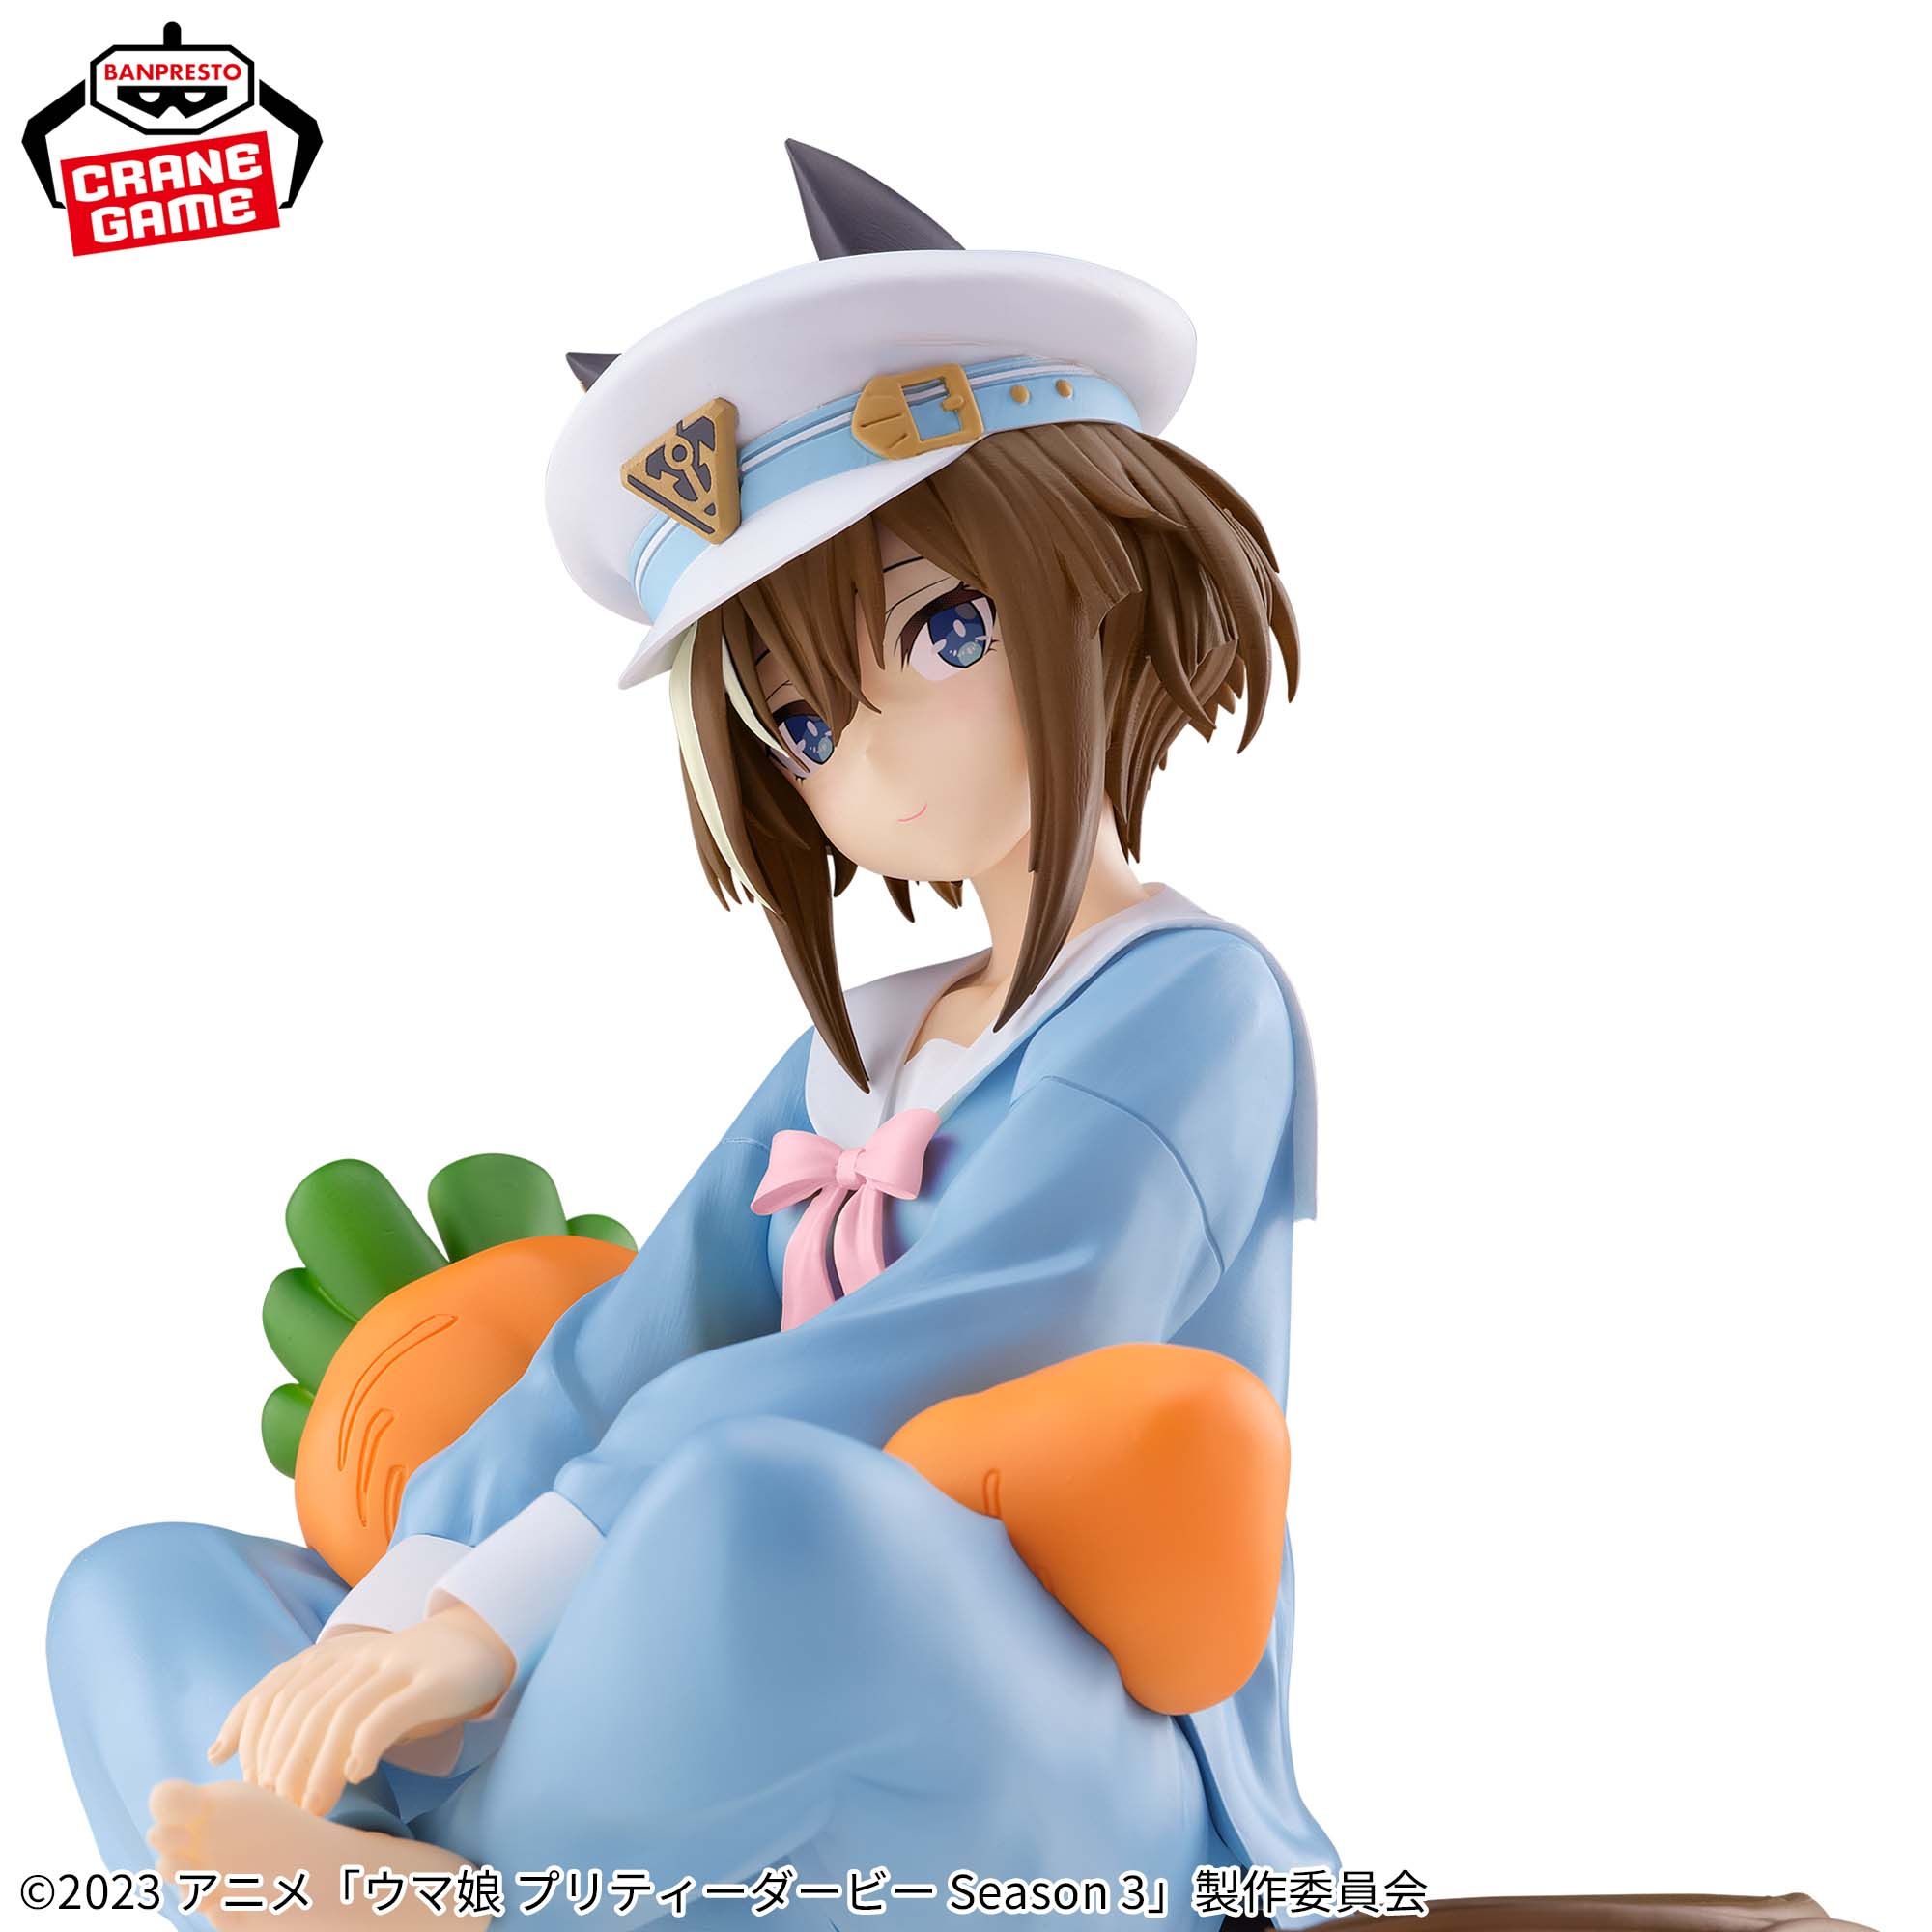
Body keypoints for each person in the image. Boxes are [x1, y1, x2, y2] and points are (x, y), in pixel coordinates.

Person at [48, 142, 1332, 1929]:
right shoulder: (858, 1054)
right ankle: (403, 1878)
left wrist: (500, 1615)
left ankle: (464, 1896)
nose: (870, 757)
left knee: (748, 1510)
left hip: (1055, 1752)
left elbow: (951, 1345)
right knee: (136, 1591)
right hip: (699, 1701)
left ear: (1105, 573)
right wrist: (412, 1606)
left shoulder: (1193, 1003)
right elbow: (623, 1348)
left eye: (942, 630)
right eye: (803, 723)